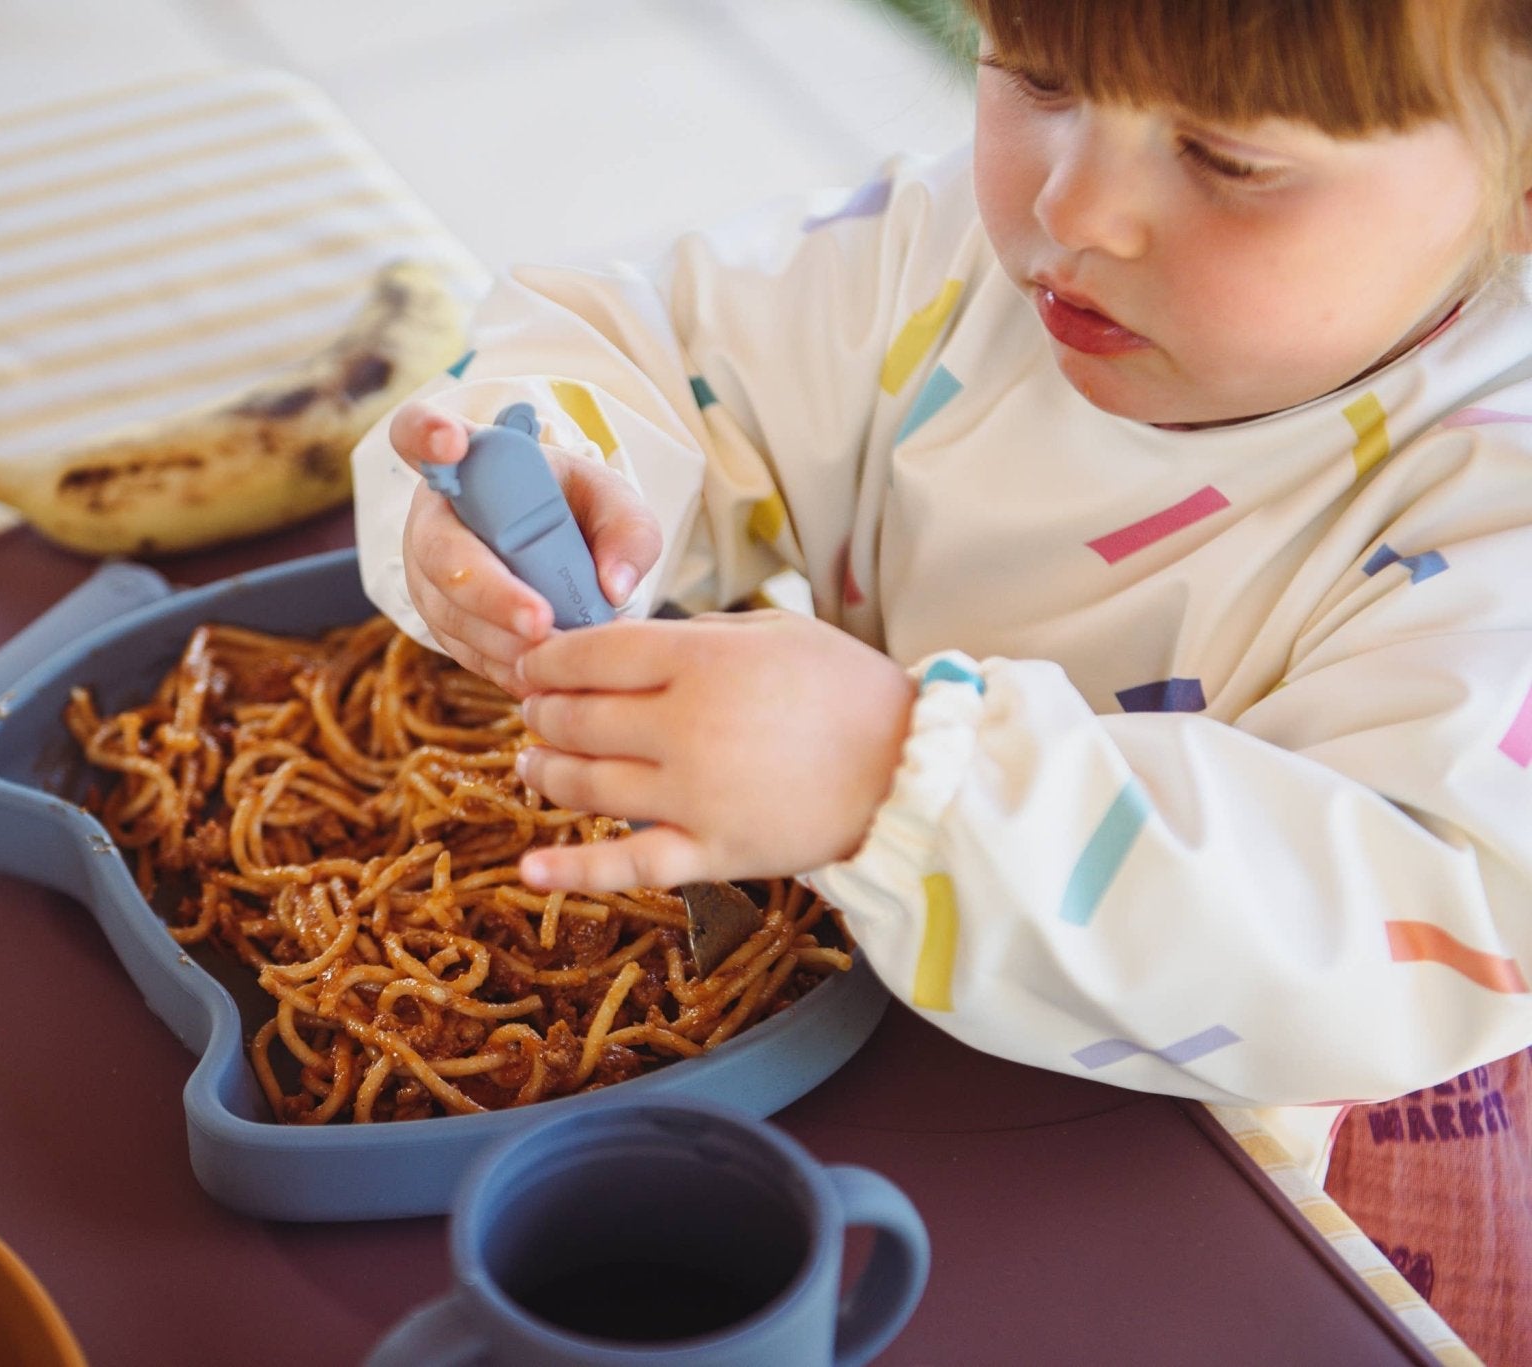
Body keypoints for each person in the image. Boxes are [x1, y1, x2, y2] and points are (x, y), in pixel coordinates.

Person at [350, 3, 1532, 1347]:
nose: (1073, 205)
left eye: (1228, 160)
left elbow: (1405, 923)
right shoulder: (940, 268)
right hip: (902, 1065)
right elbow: (635, 343)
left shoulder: (1501, 511)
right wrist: (553, 473)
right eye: (1038, 75)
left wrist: (910, 775)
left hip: (1248, 1177)